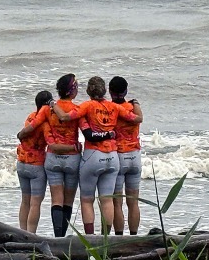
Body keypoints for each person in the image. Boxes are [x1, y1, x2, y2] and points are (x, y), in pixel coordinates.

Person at [18, 74, 112, 237]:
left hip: (53, 158)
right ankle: (63, 238)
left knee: (56, 200)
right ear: (72, 90)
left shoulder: (48, 110)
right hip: (72, 158)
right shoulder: (76, 110)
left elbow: (33, 126)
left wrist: (20, 134)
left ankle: (57, 237)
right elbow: (86, 130)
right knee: (68, 201)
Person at [51, 76, 142, 235]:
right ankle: (106, 238)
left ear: (88, 91)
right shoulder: (115, 107)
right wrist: (136, 104)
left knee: (87, 200)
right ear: (105, 90)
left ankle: (91, 238)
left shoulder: (87, 106)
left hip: (93, 155)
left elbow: (64, 117)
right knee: (107, 200)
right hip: (113, 156)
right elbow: (137, 119)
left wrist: (52, 104)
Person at [15, 91, 53, 233]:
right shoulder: (45, 123)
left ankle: (22, 232)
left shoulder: (31, 117)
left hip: (21, 162)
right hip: (36, 164)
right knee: (35, 203)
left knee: (25, 201)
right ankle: (31, 235)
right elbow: (50, 142)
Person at [109, 76, 142, 235]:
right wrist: (136, 103)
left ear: (110, 91)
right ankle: (134, 236)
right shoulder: (133, 108)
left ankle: (119, 237)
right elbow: (139, 118)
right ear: (126, 91)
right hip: (135, 155)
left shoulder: (110, 109)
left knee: (117, 202)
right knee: (133, 202)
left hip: (119, 156)